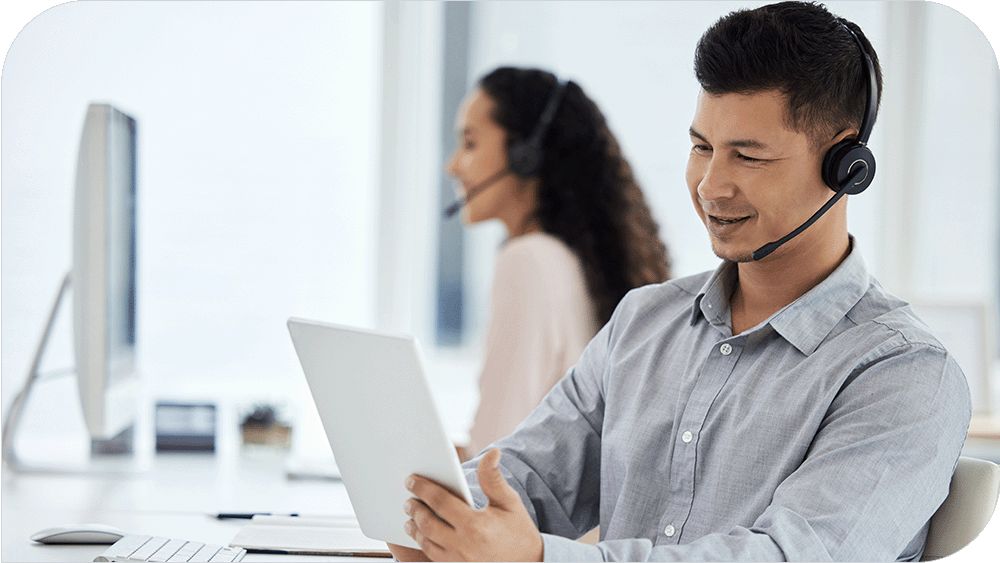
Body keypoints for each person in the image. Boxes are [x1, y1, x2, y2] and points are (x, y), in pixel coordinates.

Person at [391, 2, 972, 561]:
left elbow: (790, 556)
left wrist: (539, 559)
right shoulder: (645, 322)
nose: (710, 186)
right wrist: (440, 521)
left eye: (748, 156)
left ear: (846, 169)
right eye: (702, 148)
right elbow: (527, 477)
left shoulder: (904, 375)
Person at [444, 67, 671, 459]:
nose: (453, 165)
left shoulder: (529, 261)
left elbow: (491, 458)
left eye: (470, 142)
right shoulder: (572, 260)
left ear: (524, 155)